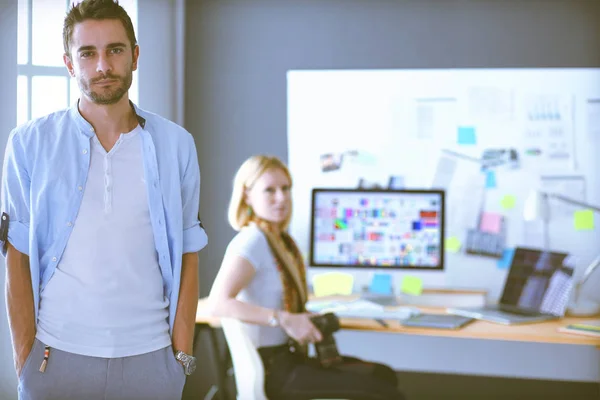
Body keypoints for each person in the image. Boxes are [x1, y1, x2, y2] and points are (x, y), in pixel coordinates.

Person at [1, 1, 207, 399]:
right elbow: (17, 256)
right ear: (69, 62)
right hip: (55, 359)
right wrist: (25, 360)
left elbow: (188, 251)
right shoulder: (29, 143)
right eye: (87, 53)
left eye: (115, 50)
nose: (102, 66)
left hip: (152, 361)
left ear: (135, 55)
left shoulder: (176, 144)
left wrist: (181, 358)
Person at [208, 155, 405, 400]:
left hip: (290, 357)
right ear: (247, 195)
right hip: (275, 370)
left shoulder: (281, 242)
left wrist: (300, 318)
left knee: (382, 375)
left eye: (286, 188)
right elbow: (218, 303)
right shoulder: (252, 241)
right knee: (386, 393)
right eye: (270, 190)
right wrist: (284, 319)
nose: (281, 198)